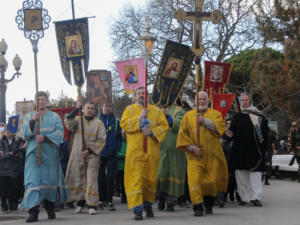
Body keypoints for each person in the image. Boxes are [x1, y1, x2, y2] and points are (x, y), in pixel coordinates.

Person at [176, 91, 228, 217]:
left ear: (208, 100)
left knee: (210, 182)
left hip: (212, 156)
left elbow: (219, 130)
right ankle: (198, 206)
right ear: (195, 101)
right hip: (195, 156)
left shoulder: (215, 114)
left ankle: (209, 204)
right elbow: (182, 137)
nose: (202, 101)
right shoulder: (188, 117)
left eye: (204, 99)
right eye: (199, 99)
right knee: (194, 181)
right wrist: (192, 148)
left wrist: (204, 121)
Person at [120, 87, 168, 220]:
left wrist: (152, 132)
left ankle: (148, 206)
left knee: (150, 180)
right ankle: (137, 209)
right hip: (135, 152)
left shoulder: (157, 111)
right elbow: (124, 124)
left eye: (144, 93)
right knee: (135, 179)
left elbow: (164, 126)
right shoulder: (129, 109)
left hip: (151, 152)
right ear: (135, 96)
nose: (141, 95)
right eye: (139, 93)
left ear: (147, 96)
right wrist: (139, 118)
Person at [20, 91, 68, 222]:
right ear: (35, 102)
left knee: (49, 181)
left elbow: (59, 133)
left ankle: (50, 207)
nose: (40, 101)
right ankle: (33, 212)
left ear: (47, 101)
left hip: (50, 156)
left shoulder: (55, 117)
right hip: (33, 154)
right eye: (38, 99)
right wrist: (32, 122)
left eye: (43, 99)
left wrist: (45, 138)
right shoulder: (29, 116)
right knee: (32, 181)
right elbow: (23, 134)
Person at [65, 97, 106, 215]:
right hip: (77, 154)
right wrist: (75, 109)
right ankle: (80, 202)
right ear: (83, 109)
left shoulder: (99, 124)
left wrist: (89, 150)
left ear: (95, 111)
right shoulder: (78, 120)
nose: (89, 110)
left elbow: (102, 140)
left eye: (92, 109)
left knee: (91, 179)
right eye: (87, 108)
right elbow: (68, 124)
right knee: (79, 177)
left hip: (92, 156)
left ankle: (92, 204)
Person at [228, 93, 268, 207]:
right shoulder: (237, 116)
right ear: (240, 102)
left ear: (250, 101)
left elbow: (264, 134)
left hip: (254, 150)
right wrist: (229, 134)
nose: (244, 102)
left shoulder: (259, 116)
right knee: (241, 174)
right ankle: (244, 197)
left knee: (255, 174)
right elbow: (232, 132)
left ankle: (256, 197)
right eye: (242, 100)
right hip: (239, 150)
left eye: (246, 100)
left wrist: (265, 148)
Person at [156, 105, 186, 212]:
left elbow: (181, 125)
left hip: (175, 151)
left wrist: (168, 117)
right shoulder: (155, 109)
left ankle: (171, 201)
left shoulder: (178, 110)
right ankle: (161, 198)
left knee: (174, 173)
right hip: (160, 148)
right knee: (160, 173)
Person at [98, 102, 122, 211]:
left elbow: (119, 136)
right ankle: (101, 200)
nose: (107, 108)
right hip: (100, 153)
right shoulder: (97, 120)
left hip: (112, 153)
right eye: (105, 106)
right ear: (102, 107)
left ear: (111, 107)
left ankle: (109, 201)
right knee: (100, 177)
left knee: (110, 177)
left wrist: (118, 147)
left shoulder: (116, 121)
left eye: (108, 106)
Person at [0, 127, 25, 212]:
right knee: (4, 189)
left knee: (13, 189)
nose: (9, 133)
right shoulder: (1, 142)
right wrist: (10, 154)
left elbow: (20, 155)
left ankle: (12, 204)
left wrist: (16, 153)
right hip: (3, 170)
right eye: (8, 131)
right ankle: (3, 205)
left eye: (11, 131)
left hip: (14, 170)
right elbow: (2, 156)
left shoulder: (16, 142)